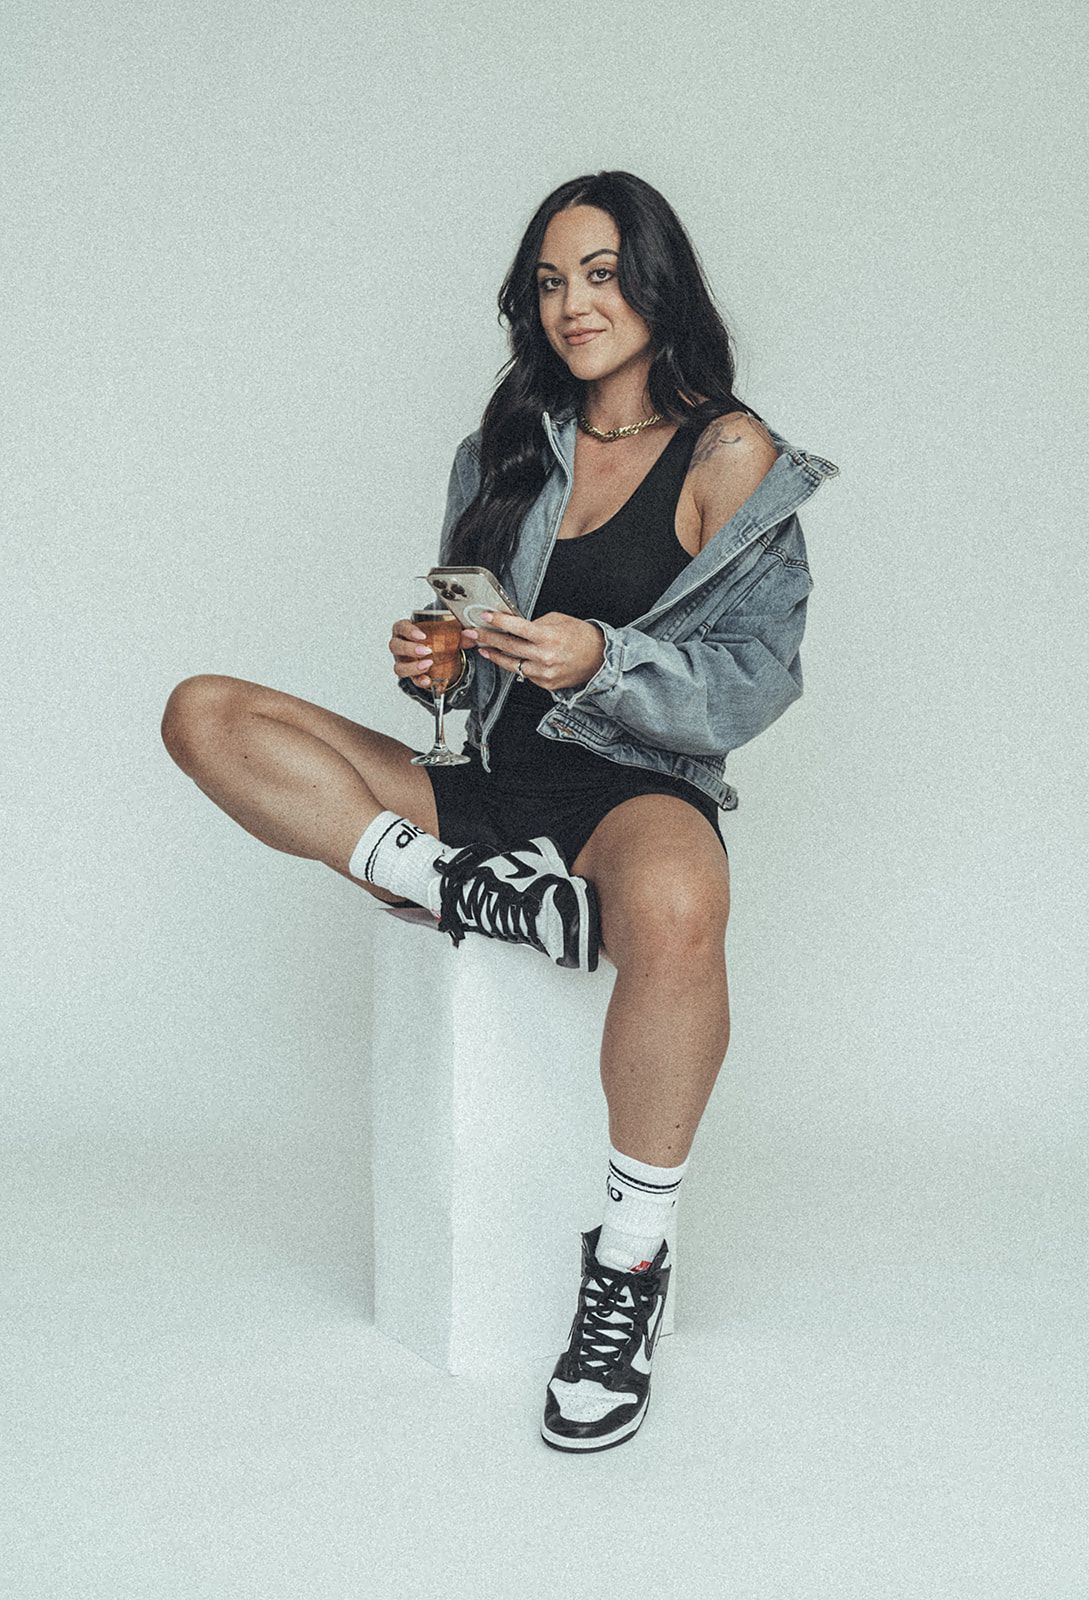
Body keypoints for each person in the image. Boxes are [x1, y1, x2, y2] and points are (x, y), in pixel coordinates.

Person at [160, 169, 838, 1454]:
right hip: (484, 780)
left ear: (657, 281)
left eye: (601, 274)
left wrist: (606, 659)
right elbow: (472, 671)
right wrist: (440, 664)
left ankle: (627, 1266)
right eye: (550, 282)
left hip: (631, 787)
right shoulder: (507, 447)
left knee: (681, 904)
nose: (575, 304)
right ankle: (453, 883)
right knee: (205, 712)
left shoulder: (730, 454)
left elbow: (757, 679)